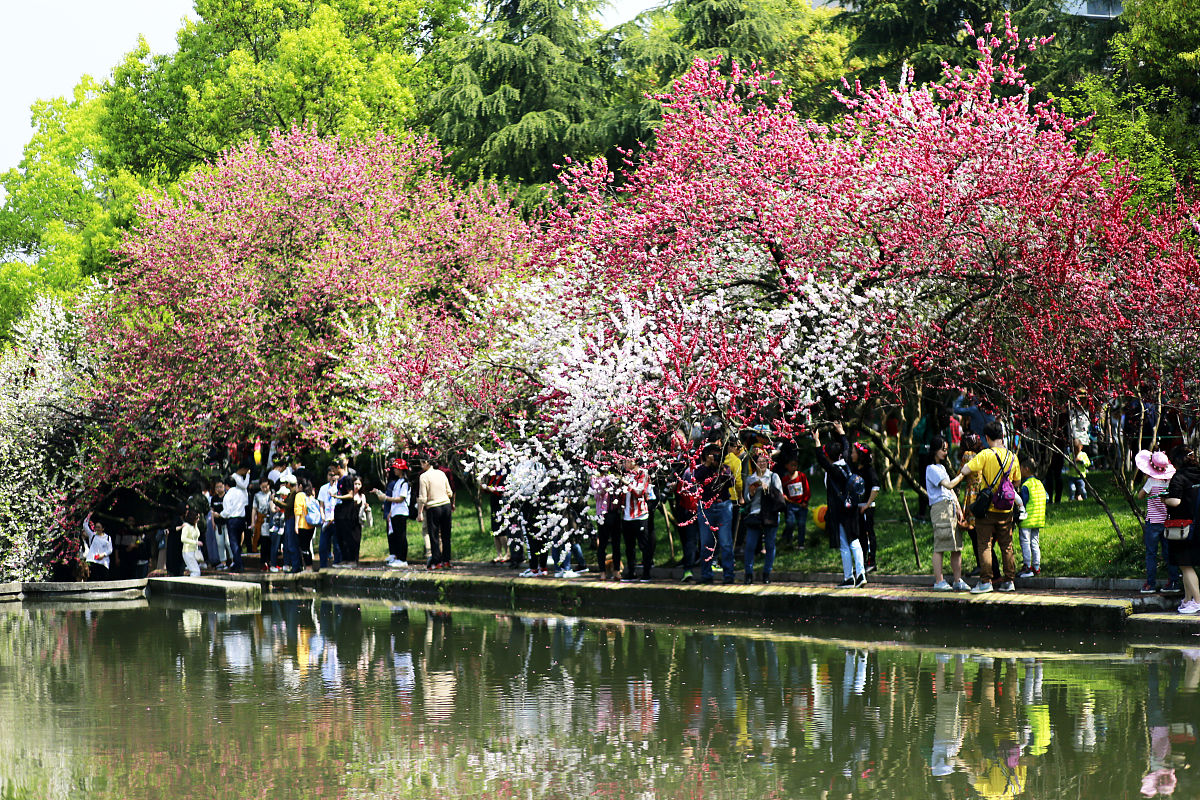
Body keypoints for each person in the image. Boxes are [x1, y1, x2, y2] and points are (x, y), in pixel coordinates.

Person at [958, 421, 1018, 594]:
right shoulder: (1013, 457)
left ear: (987, 437)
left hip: (987, 509)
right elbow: (1016, 483)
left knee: (984, 544)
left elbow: (966, 470)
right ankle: (1009, 581)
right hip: (1006, 509)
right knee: (1007, 546)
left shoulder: (985, 454)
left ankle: (986, 582)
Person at [813, 424, 866, 588]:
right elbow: (847, 446)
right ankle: (861, 574)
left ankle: (849, 578)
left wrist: (816, 440)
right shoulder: (847, 462)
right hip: (852, 508)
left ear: (829, 456)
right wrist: (842, 432)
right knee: (855, 540)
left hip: (839, 510)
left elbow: (821, 458)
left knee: (844, 544)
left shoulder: (832, 469)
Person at [1136, 449, 1182, 595]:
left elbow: (1140, 496)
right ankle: (1173, 581)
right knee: (1169, 552)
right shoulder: (1170, 481)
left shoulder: (1151, 482)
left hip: (1153, 523)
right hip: (1167, 522)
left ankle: (1150, 584)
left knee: (1151, 553)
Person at [926, 435, 968, 591]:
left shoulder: (942, 468)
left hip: (950, 507)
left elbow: (950, 492)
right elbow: (949, 485)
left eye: (946, 450)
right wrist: (962, 474)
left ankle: (958, 580)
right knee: (940, 545)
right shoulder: (931, 469)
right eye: (943, 449)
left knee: (956, 546)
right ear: (935, 450)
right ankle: (939, 581)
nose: (945, 453)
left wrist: (958, 507)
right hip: (940, 509)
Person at [1164, 446, 1200, 614]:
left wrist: (1164, 499)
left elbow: (1175, 501)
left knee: (1185, 565)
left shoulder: (1179, 477)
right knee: (1186, 564)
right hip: (1198, 523)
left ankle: (1197, 601)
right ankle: (1187, 599)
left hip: (1184, 527)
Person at [694, 444, 735, 584]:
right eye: (712, 454)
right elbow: (696, 478)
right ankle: (706, 575)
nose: (715, 456)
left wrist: (721, 467)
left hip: (723, 506)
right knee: (706, 542)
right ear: (706, 455)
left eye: (717, 454)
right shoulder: (702, 470)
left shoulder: (724, 469)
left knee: (726, 542)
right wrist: (707, 464)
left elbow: (731, 482)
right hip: (706, 508)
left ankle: (729, 575)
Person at [742, 447, 783, 584]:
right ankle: (748, 573)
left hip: (770, 514)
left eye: (764, 461)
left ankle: (767, 573)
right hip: (755, 513)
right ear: (755, 463)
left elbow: (779, 496)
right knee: (750, 545)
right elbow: (746, 499)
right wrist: (751, 493)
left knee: (770, 545)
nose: (762, 464)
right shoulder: (750, 479)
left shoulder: (773, 476)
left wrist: (768, 489)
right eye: (759, 462)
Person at [849, 440, 881, 572]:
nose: (851, 454)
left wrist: (867, 505)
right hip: (858, 507)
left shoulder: (869, 470)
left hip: (866, 508)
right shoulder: (857, 469)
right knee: (861, 535)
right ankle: (861, 562)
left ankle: (871, 561)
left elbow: (876, 487)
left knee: (868, 534)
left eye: (853, 452)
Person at [418, 456, 454, 569]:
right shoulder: (441, 473)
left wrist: (419, 512)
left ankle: (436, 562)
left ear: (426, 463)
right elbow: (450, 492)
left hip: (433, 507)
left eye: (421, 463)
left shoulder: (423, 477)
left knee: (434, 536)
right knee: (446, 535)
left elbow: (422, 498)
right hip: (446, 506)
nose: (421, 466)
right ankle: (447, 561)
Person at [374, 458, 411, 567]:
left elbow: (400, 498)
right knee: (396, 536)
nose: (394, 470)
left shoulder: (404, 483)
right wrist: (390, 511)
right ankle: (398, 557)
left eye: (396, 468)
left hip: (401, 512)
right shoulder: (398, 482)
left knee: (401, 536)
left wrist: (386, 498)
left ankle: (402, 559)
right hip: (395, 512)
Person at [620, 457, 652, 580]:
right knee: (629, 546)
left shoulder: (643, 473)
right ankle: (631, 572)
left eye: (628, 461)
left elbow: (639, 491)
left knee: (643, 545)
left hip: (640, 515)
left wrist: (627, 483)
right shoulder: (626, 474)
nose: (626, 463)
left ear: (636, 462)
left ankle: (646, 572)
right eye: (625, 461)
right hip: (627, 515)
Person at [1017, 456, 1047, 579]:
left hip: (1027, 519)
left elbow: (1023, 501)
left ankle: (1027, 567)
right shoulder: (1039, 483)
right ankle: (1036, 566)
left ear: (1027, 469)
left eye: (1021, 468)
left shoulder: (1026, 485)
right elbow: (1047, 497)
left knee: (1025, 542)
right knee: (1035, 542)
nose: (1020, 471)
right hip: (1038, 518)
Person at [333, 461, 360, 567]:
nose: (333, 472)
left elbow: (350, 495)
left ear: (338, 467)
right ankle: (344, 559)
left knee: (349, 536)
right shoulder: (339, 480)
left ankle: (352, 560)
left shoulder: (347, 479)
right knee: (341, 536)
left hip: (347, 513)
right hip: (339, 512)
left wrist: (337, 497)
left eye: (334, 469)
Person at [780, 457, 810, 550]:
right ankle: (788, 540)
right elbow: (782, 490)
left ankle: (801, 544)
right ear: (786, 466)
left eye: (795, 465)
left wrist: (805, 501)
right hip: (791, 506)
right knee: (790, 523)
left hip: (802, 506)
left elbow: (807, 490)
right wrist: (784, 496)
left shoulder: (802, 476)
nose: (794, 467)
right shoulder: (785, 479)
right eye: (791, 465)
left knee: (801, 524)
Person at [316, 465, 342, 570]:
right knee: (323, 545)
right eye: (330, 475)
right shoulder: (323, 488)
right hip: (326, 521)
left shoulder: (339, 488)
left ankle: (337, 564)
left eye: (334, 475)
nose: (332, 477)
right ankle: (323, 566)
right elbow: (321, 504)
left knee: (337, 545)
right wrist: (322, 516)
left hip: (336, 520)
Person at [221, 473, 248, 573]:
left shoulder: (227, 496)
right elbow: (246, 503)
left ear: (227, 486)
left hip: (232, 520)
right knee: (238, 543)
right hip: (241, 519)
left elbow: (227, 511)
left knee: (233, 543)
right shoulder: (241, 493)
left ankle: (239, 565)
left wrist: (219, 514)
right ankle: (237, 562)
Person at [277, 474, 303, 573]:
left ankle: (296, 567)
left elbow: (288, 506)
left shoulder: (293, 494)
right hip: (289, 520)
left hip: (291, 520)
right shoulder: (291, 493)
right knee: (289, 543)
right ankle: (295, 566)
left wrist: (275, 501)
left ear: (288, 484)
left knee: (292, 544)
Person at [292, 477, 315, 570]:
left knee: (304, 547)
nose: (295, 487)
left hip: (302, 525)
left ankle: (308, 567)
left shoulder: (299, 495)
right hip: (311, 525)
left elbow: (298, 511)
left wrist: (296, 525)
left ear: (300, 486)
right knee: (307, 546)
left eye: (296, 485)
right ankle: (309, 566)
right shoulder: (310, 495)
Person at [82, 513, 113, 581]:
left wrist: (103, 555)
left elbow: (110, 550)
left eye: (99, 527)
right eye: (96, 527)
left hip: (103, 562)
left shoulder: (107, 538)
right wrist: (89, 515)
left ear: (103, 528)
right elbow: (85, 525)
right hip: (93, 561)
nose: (97, 529)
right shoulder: (92, 535)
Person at [210, 480, 232, 571]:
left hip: (226, 523)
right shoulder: (214, 499)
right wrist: (213, 522)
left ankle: (233, 559)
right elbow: (212, 511)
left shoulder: (227, 497)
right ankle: (223, 562)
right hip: (217, 524)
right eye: (217, 487)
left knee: (228, 542)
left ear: (224, 486)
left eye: (220, 487)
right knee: (220, 543)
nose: (219, 489)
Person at [251, 477, 272, 555]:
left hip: (271, 520)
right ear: (260, 486)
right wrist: (253, 522)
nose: (265, 489)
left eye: (266, 486)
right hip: (261, 520)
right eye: (263, 487)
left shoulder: (272, 494)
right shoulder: (257, 495)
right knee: (263, 540)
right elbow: (254, 509)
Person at [180, 510, 203, 577]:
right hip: (187, 552)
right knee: (196, 572)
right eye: (197, 518)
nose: (198, 519)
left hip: (194, 551)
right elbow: (183, 539)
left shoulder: (195, 526)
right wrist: (195, 542)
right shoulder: (186, 526)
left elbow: (197, 534)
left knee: (196, 571)